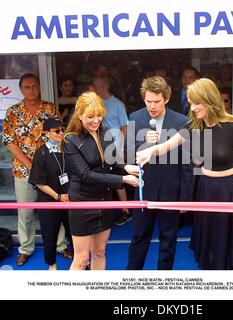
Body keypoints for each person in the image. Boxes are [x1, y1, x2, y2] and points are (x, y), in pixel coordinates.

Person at [136, 78, 233, 270]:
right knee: (208, 249)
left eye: (196, 102)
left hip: (228, 192)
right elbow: (165, 147)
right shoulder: (193, 127)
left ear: (209, 99)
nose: (192, 107)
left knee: (229, 249)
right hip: (205, 190)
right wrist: (148, 151)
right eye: (191, 102)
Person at [62, 91, 140, 270]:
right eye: (90, 116)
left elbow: (113, 159)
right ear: (79, 115)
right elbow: (85, 175)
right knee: (81, 259)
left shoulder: (103, 130)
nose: (96, 120)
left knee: (99, 251)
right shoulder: (70, 139)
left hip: (105, 202)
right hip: (82, 203)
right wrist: (123, 179)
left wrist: (127, 167)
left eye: (99, 115)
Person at [2, 73, 72, 266]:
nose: (31, 90)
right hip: (23, 172)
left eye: (34, 86)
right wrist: (31, 165)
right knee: (25, 212)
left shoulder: (50, 109)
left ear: (39, 87)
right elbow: (9, 142)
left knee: (55, 209)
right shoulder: (13, 112)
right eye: (27, 87)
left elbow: (59, 137)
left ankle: (60, 245)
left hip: (52, 173)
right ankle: (25, 248)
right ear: (21, 89)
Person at [126, 76, 194, 270]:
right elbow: (129, 154)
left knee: (168, 240)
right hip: (143, 189)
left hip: (171, 191)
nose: (152, 106)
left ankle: (164, 280)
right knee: (138, 237)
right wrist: (144, 142)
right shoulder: (135, 117)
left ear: (166, 98)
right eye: (148, 101)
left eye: (156, 101)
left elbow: (187, 162)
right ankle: (131, 279)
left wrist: (186, 198)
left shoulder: (182, 121)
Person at [28, 117, 73, 270]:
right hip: (49, 200)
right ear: (47, 133)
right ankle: (51, 266)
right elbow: (39, 182)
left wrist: (70, 194)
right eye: (57, 131)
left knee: (75, 233)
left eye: (62, 130)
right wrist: (57, 197)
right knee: (49, 235)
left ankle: (81, 260)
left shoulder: (68, 149)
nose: (61, 133)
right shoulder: (41, 153)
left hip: (69, 199)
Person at [92, 76, 131, 225]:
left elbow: (125, 127)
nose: (94, 90)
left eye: (95, 87)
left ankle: (125, 211)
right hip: (99, 148)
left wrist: (121, 148)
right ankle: (103, 212)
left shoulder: (117, 104)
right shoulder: (95, 103)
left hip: (115, 148)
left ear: (102, 87)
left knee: (119, 180)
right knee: (102, 179)